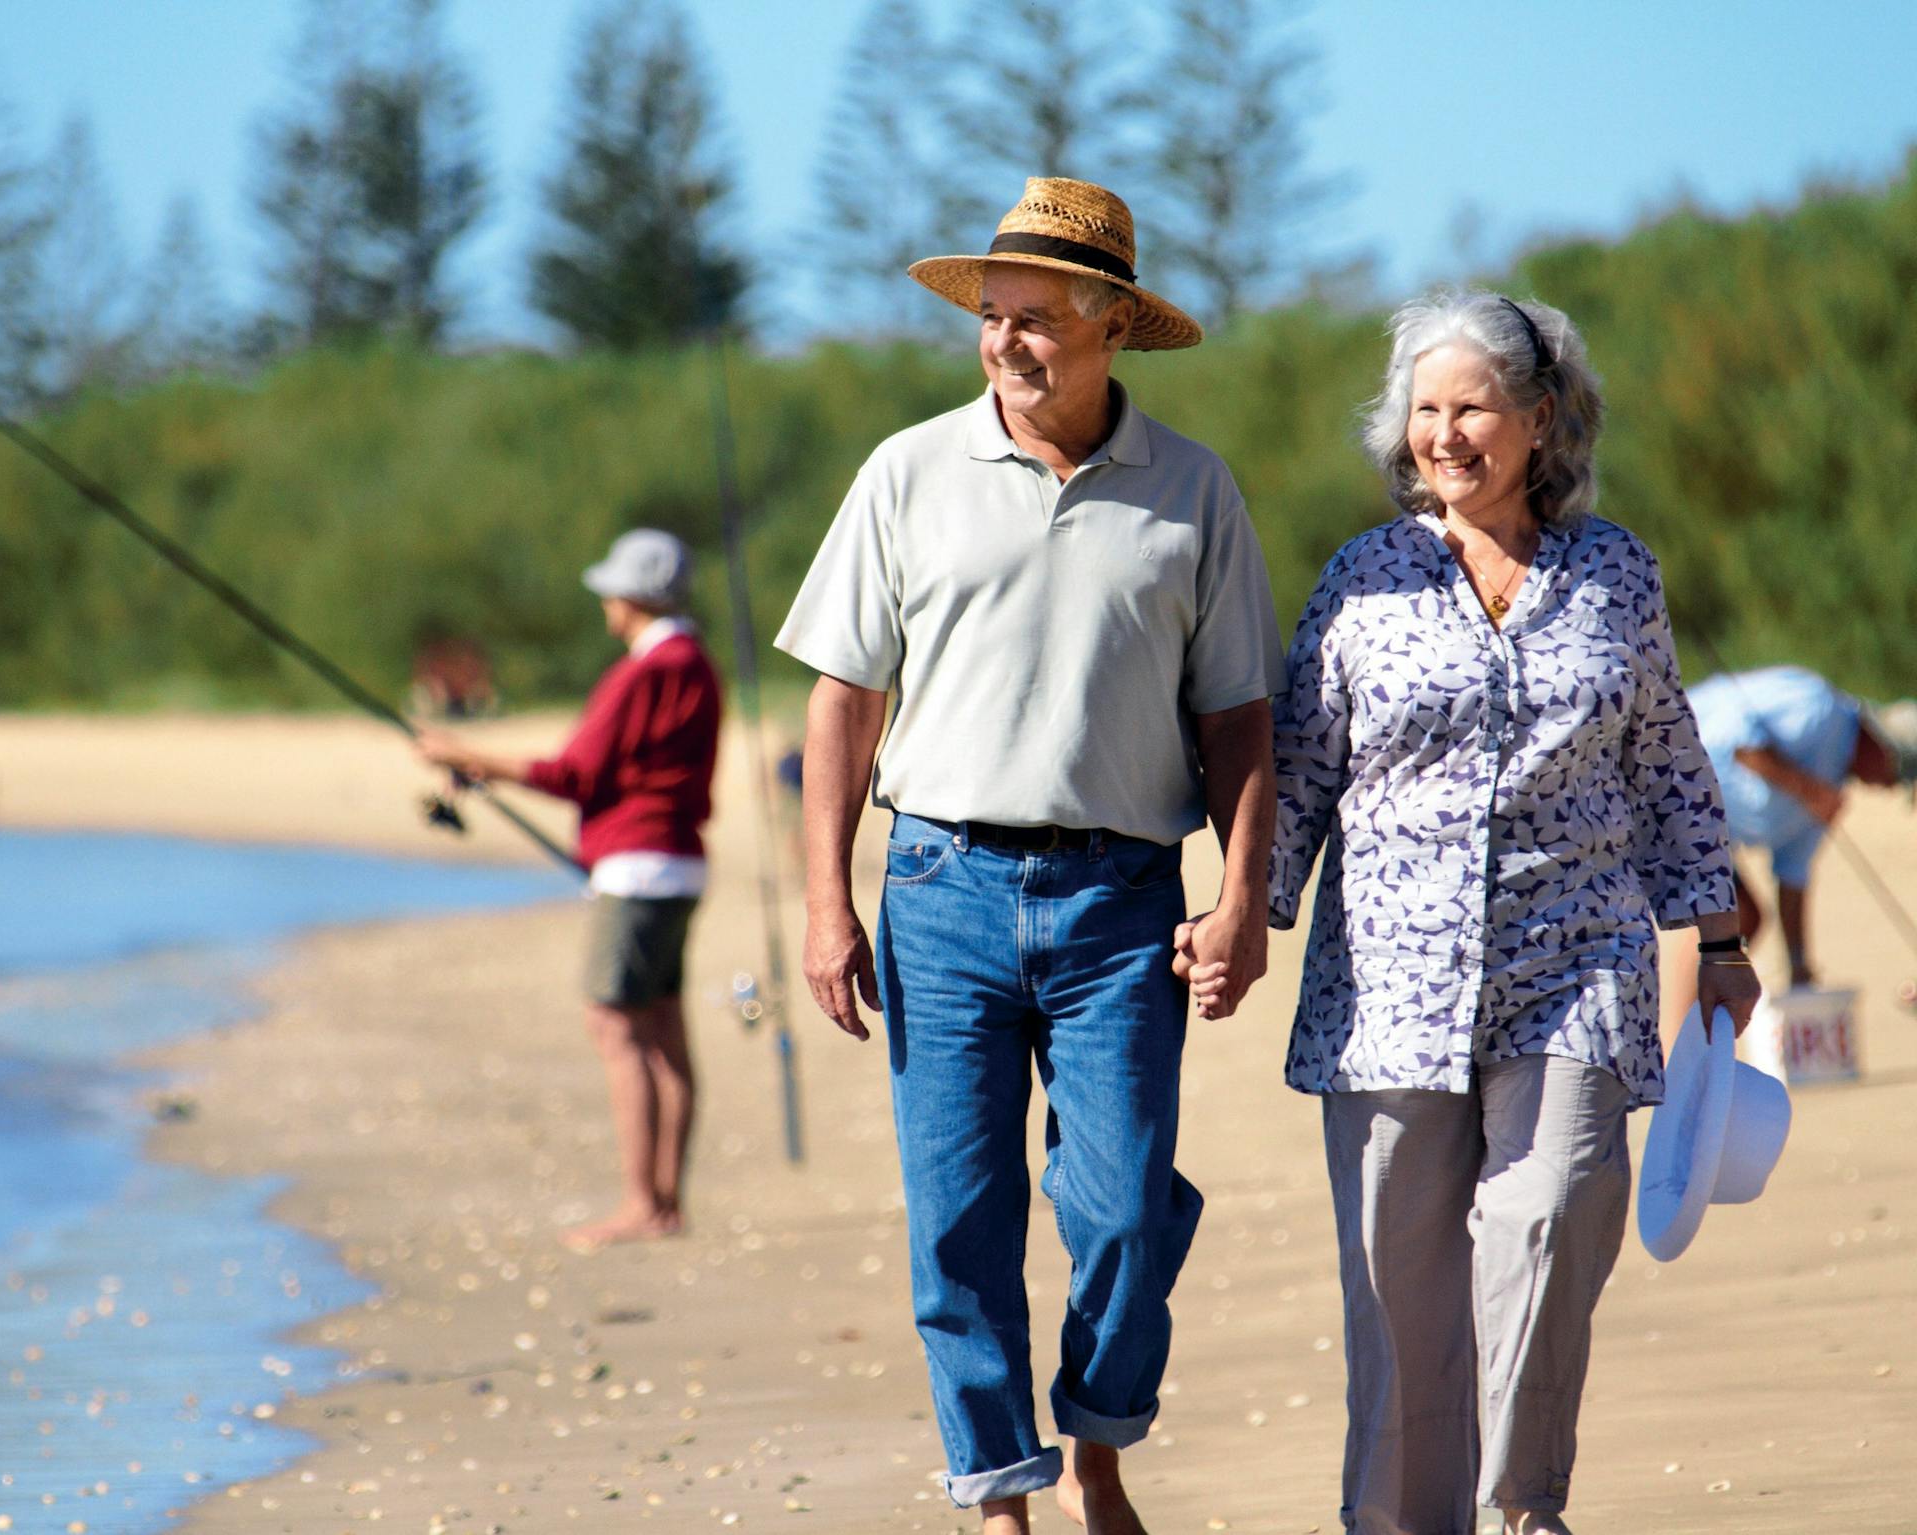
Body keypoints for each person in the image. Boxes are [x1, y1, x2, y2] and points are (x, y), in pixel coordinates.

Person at [1183, 290, 1762, 1535]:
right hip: (1387, 987)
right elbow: (1303, 765)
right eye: (1424, 410)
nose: (1444, 434)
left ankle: (1521, 1507)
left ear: (1539, 419)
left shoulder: (1613, 573)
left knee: (1550, 1213)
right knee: (1400, 1290)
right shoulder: (1360, 578)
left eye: (1473, 408)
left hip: (1580, 964)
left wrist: (1713, 935)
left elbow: (1664, 755)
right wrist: (1245, 911)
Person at [776, 177, 1283, 1535]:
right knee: (961, 1220)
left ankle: (1098, 1441)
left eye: (1038, 318)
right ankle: (997, 1489)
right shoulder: (905, 473)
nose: (1007, 343)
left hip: (1124, 903)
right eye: (993, 317)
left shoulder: (1193, 491)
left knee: (1119, 1208)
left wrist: (1245, 897)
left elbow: (1241, 714)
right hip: (938, 885)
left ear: (1111, 325)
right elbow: (841, 700)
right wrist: (824, 901)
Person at [418, 528, 722, 1251]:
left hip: (637, 868)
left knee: (615, 1025)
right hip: (680, 864)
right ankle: (666, 1200)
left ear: (636, 597)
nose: (604, 602)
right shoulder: (699, 666)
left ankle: (641, 1204)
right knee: (664, 1027)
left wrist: (468, 757)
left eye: (613, 591)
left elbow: (576, 773)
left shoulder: (641, 673)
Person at [1686, 666, 1917, 985]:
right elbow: (1735, 741)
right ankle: (1672, 1020)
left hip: (1707, 831)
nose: (1890, 788)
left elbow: (1792, 874)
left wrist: (1798, 965)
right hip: (1676, 780)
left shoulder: (1832, 789)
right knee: (1727, 923)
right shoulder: (1818, 706)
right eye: (1897, 777)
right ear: (1886, 749)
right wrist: (1807, 789)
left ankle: (1690, 1025)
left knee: (1742, 920)